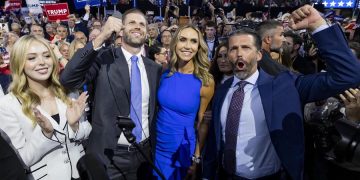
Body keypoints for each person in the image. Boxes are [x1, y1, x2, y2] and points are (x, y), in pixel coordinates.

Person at [203, 5, 360, 180]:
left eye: (246, 47)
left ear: (259, 55)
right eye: (234, 49)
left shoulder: (285, 85)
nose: (239, 53)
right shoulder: (223, 90)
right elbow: (215, 139)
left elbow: (348, 75)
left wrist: (317, 26)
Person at [60, 9, 162, 180]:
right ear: (120, 29)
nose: (137, 27)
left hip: (144, 154)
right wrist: (101, 37)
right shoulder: (104, 58)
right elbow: (68, 79)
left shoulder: (154, 68)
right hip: (109, 154)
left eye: (142, 24)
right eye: (132, 22)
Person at [0, 35, 92, 180]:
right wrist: (45, 134)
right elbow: (19, 161)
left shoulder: (68, 91)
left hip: (83, 173)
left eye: (47, 56)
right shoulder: (8, 105)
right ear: (19, 63)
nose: (42, 62)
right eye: (32, 58)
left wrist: (74, 126)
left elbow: (87, 131)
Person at [153, 25, 214, 179]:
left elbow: (202, 123)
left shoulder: (205, 81)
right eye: (183, 40)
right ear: (175, 44)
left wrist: (196, 159)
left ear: (198, 47)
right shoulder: (165, 73)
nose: (188, 46)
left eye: (193, 41)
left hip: (182, 152)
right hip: (156, 147)